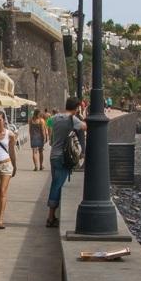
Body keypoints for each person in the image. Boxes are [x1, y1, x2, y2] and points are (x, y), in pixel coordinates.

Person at [46, 97, 87, 228]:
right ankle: (50, 217)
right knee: (57, 186)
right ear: (76, 108)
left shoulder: (55, 117)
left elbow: (49, 123)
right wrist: (83, 113)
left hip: (53, 155)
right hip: (63, 157)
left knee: (55, 183)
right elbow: (85, 127)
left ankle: (52, 215)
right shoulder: (72, 119)